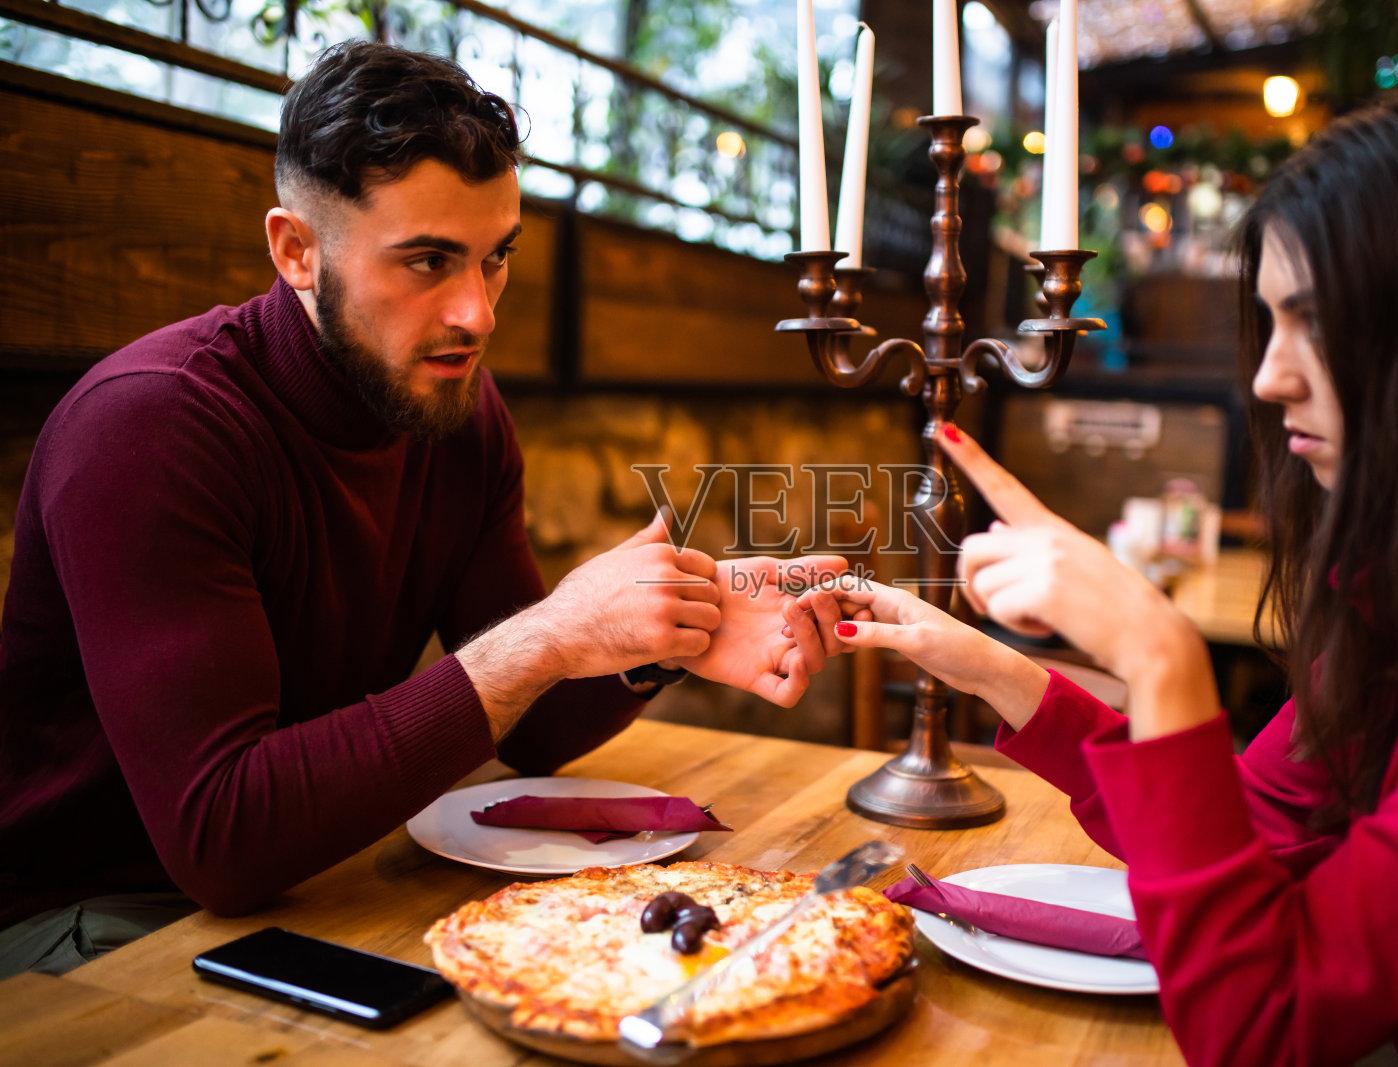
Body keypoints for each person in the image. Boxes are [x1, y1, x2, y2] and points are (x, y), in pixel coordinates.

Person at [0, 41, 844, 974]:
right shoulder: (151, 427)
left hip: (312, 873)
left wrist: (671, 629)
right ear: (296, 251)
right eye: (429, 261)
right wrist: (548, 635)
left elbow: (533, 725)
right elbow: (221, 837)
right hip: (95, 920)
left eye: (495, 258)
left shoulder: (455, 412)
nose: (478, 313)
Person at [803, 80, 1398, 1065]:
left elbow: (1266, 1023)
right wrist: (990, 667)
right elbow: (1255, 827)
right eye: (1270, 324)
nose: (1269, 376)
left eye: (1319, 322)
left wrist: (1159, 655)